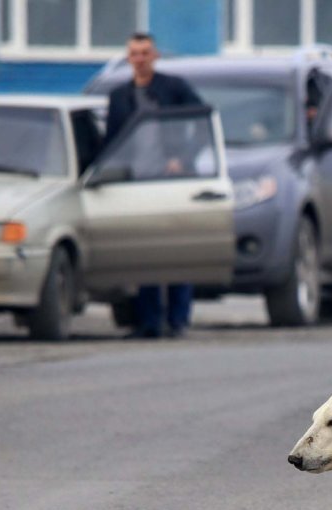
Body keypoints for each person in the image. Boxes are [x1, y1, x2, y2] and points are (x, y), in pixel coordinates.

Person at [104, 31, 203, 339]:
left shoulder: (174, 88)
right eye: (135, 53)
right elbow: (112, 142)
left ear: (155, 55)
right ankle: (148, 322)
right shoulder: (119, 96)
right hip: (137, 184)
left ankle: (178, 320)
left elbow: (201, 122)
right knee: (144, 253)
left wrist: (182, 158)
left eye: (146, 52)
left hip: (173, 182)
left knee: (178, 252)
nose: (140, 59)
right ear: (128, 58)